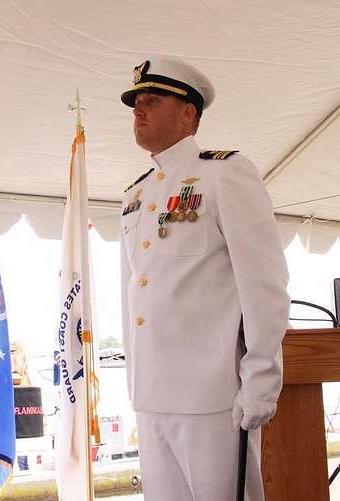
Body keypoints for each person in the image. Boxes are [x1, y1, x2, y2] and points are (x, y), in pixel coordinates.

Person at [119, 57, 289, 500]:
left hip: (211, 394)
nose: (138, 110)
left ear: (188, 112)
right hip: (151, 396)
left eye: (152, 101)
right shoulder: (135, 196)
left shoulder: (224, 174)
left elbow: (263, 285)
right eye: (136, 102)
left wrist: (260, 382)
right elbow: (135, 298)